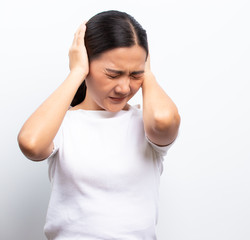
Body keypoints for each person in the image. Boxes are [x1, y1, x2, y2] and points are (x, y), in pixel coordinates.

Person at [17, 10, 180, 240]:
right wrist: (77, 72)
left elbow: (165, 121)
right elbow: (31, 144)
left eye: (135, 75)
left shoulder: (145, 125)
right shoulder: (63, 124)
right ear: (86, 62)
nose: (124, 88)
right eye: (113, 74)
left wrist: (148, 74)